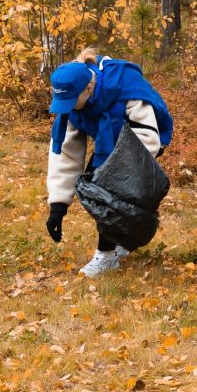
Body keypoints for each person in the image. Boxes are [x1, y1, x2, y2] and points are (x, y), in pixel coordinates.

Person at [45, 47, 173, 277]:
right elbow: (66, 153)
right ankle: (119, 242)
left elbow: (148, 137)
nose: (68, 107)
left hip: (144, 140)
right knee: (101, 189)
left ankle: (106, 256)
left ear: (89, 87)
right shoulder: (73, 102)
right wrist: (58, 206)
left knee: (108, 194)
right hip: (109, 142)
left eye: (72, 101)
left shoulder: (124, 86)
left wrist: (119, 178)